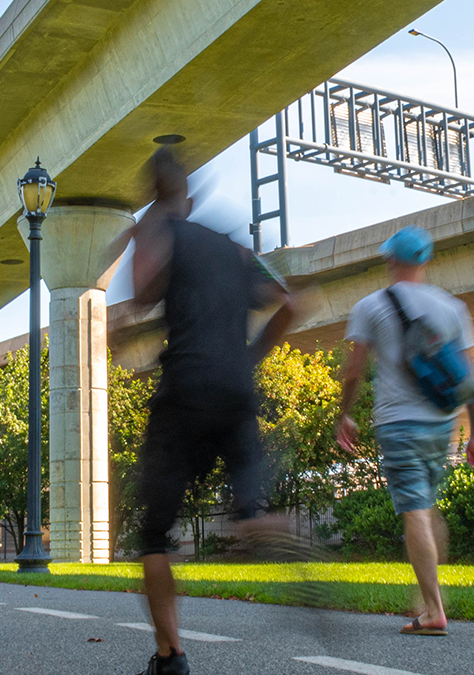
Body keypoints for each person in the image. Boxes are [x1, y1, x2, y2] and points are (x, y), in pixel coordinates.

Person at [119, 148, 297, 675]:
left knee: (155, 533)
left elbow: (139, 295)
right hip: (237, 393)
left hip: (185, 391)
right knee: (249, 509)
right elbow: (290, 303)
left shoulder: (164, 232)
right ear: (191, 197)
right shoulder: (236, 250)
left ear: (156, 194)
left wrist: (141, 236)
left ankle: (170, 657)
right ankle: (262, 523)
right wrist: (247, 359)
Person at [334, 225, 474, 637]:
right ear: (426, 261)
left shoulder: (371, 306)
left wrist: (344, 415)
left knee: (414, 510)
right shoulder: (452, 307)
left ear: (390, 261)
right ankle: (428, 599)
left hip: (398, 422)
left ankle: (434, 609)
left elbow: (354, 371)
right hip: (443, 421)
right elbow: (469, 376)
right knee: (427, 504)